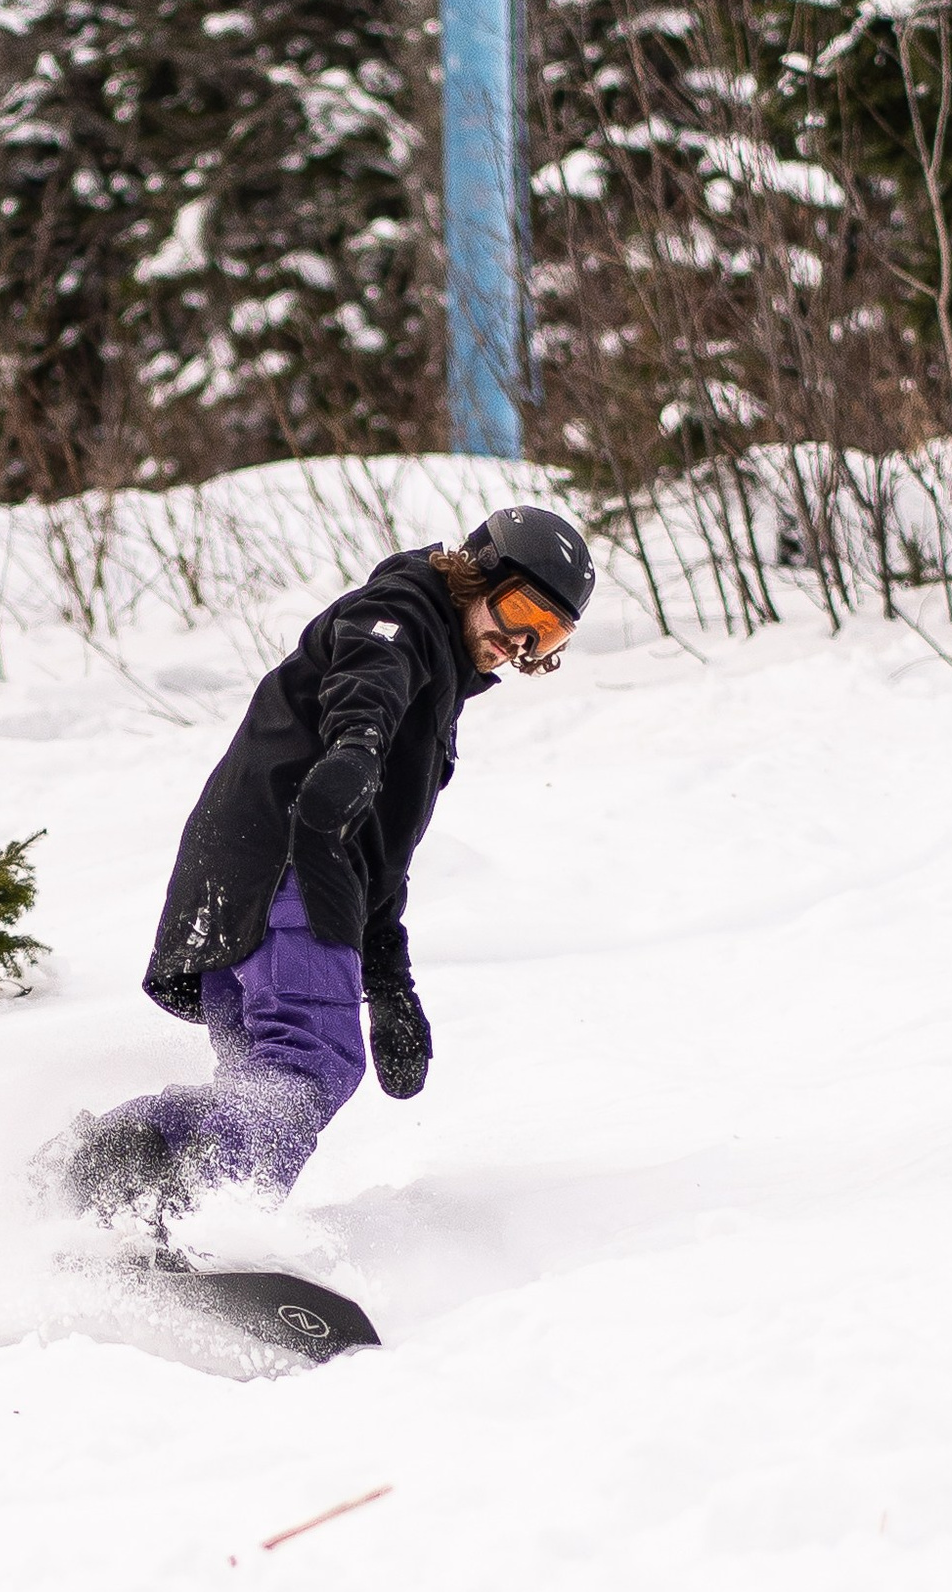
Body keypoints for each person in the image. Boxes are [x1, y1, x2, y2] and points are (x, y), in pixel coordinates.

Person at [40, 504, 596, 1223]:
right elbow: (369, 674)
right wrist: (357, 747)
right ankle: (196, 1214)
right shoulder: (404, 611)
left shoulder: (439, 680)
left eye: (548, 632)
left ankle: (99, 1175)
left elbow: (378, 855)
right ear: (478, 571)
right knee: (309, 1064)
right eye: (522, 610)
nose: (521, 641)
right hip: (287, 869)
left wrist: (390, 984)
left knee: (259, 1087)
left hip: (252, 875)